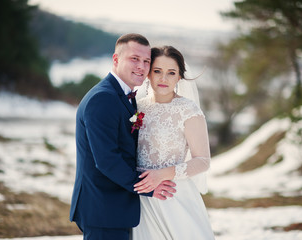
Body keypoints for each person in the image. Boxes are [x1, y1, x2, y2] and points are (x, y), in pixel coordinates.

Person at [69, 34, 176, 240]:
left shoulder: (124, 96)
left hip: (114, 207)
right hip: (103, 207)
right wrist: (148, 187)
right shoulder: (103, 99)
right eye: (134, 59)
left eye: (146, 61)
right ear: (116, 59)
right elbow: (107, 159)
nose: (141, 66)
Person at [132, 46, 215, 239]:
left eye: (171, 73)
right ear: (148, 74)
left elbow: (203, 160)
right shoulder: (137, 108)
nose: (163, 79)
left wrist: (162, 175)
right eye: (157, 71)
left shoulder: (188, 110)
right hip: (141, 199)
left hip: (173, 196)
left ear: (179, 77)